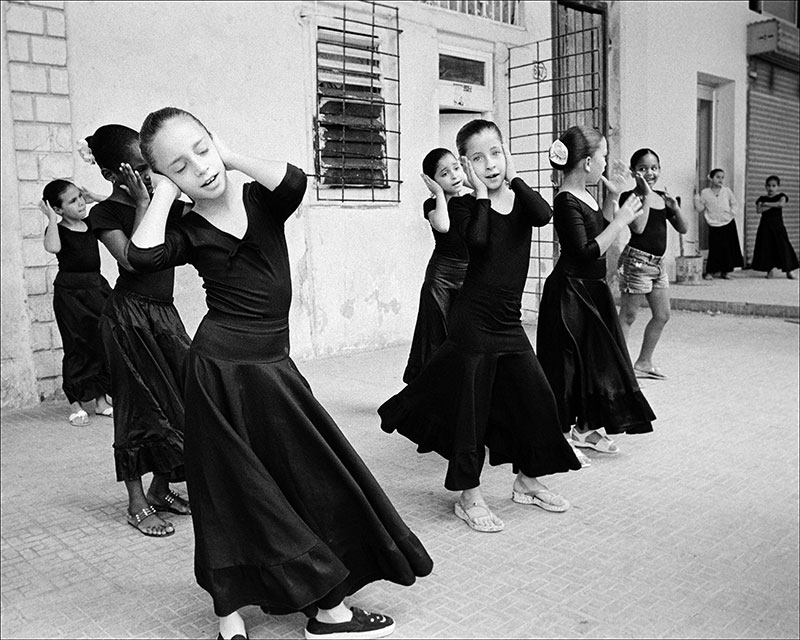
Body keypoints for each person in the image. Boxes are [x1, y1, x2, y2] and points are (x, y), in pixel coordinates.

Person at [127, 106, 432, 640]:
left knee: (307, 480)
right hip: (219, 371)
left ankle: (324, 605)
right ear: (167, 179)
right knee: (231, 492)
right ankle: (233, 616)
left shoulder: (259, 201)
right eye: (180, 165)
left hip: (272, 368)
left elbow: (294, 180)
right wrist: (164, 192)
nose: (199, 167)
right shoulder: (187, 228)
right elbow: (142, 253)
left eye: (201, 148)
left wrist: (228, 154)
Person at [379, 119, 581, 535]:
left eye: (495, 152)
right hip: (473, 322)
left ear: (506, 152)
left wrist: (513, 179)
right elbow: (479, 242)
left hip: (508, 322)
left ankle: (526, 480)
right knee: (472, 413)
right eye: (476, 158)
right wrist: (485, 193)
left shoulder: (522, 199)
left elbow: (544, 216)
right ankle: (469, 497)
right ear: (467, 166)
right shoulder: (469, 207)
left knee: (537, 399)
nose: (489, 163)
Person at [85, 125, 192, 538]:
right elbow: (135, 260)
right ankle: (136, 503)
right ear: (114, 176)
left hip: (164, 316)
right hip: (128, 319)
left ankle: (162, 488)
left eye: (151, 166)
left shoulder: (164, 202)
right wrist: (146, 201)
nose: (149, 174)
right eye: (140, 168)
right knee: (136, 408)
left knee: (180, 402)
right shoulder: (104, 214)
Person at [536, 126, 655, 463]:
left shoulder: (586, 194)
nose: (606, 162)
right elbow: (586, 251)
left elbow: (597, 229)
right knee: (566, 368)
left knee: (596, 361)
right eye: (602, 155)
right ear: (587, 162)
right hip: (570, 293)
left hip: (591, 290)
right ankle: (560, 436)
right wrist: (620, 222)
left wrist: (614, 198)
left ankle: (586, 428)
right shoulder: (564, 200)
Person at [40, 179, 113, 426]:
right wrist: (51, 218)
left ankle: (102, 401)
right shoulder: (57, 230)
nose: (81, 202)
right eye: (73, 200)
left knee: (101, 341)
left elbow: (116, 207)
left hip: (96, 287)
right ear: (58, 209)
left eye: (80, 196)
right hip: (70, 293)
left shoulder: (91, 224)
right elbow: (52, 248)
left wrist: (94, 195)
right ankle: (76, 404)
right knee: (76, 344)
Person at [617, 148, 688, 381]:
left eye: (654, 168)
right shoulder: (630, 197)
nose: (650, 173)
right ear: (633, 172)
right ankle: (617, 367)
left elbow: (683, 228)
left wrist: (674, 208)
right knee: (628, 315)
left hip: (658, 266)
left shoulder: (663, 197)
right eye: (643, 168)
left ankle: (644, 362)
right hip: (636, 262)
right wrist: (646, 195)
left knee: (663, 314)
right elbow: (637, 228)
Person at [402, 148, 470, 383]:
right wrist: (440, 194)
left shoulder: (472, 200)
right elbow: (443, 226)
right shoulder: (431, 205)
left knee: (463, 336)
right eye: (444, 173)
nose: (453, 175)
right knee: (435, 338)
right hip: (440, 278)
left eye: (456, 168)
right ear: (432, 182)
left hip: (469, 276)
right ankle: (429, 393)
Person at [695, 168, 743, 279]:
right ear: (711, 178)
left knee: (728, 248)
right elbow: (700, 208)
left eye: (722, 177)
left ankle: (726, 272)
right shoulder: (705, 192)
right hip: (714, 224)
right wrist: (696, 197)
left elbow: (734, 203)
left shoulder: (726, 191)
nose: (720, 179)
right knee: (715, 247)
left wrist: (732, 213)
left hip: (728, 222)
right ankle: (710, 272)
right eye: (717, 177)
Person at [751, 175, 798, 280]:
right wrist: (773, 205)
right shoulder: (761, 198)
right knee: (767, 247)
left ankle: (789, 271)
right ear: (765, 186)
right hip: (765, 226)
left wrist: (766, 204)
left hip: (778, 226)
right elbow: (759, 210)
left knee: (784, 247)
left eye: (773, 186)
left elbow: (781, 204)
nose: (771, 188)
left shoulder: (781, 196)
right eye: (768, 186)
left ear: (778, 186)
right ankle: (769, 271)